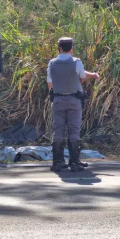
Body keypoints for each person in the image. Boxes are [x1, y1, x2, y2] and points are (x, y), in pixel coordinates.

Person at [47, 37, 100, 172]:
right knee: (74, 130)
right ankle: (74, 162)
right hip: (74, 100)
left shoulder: (52, 63)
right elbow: (82, 76)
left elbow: (50, 83)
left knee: (58, 130)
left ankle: (57, 162)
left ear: (59, 48)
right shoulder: (76, 62)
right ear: (71, 48)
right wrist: (93, 75)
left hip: (58, 100)